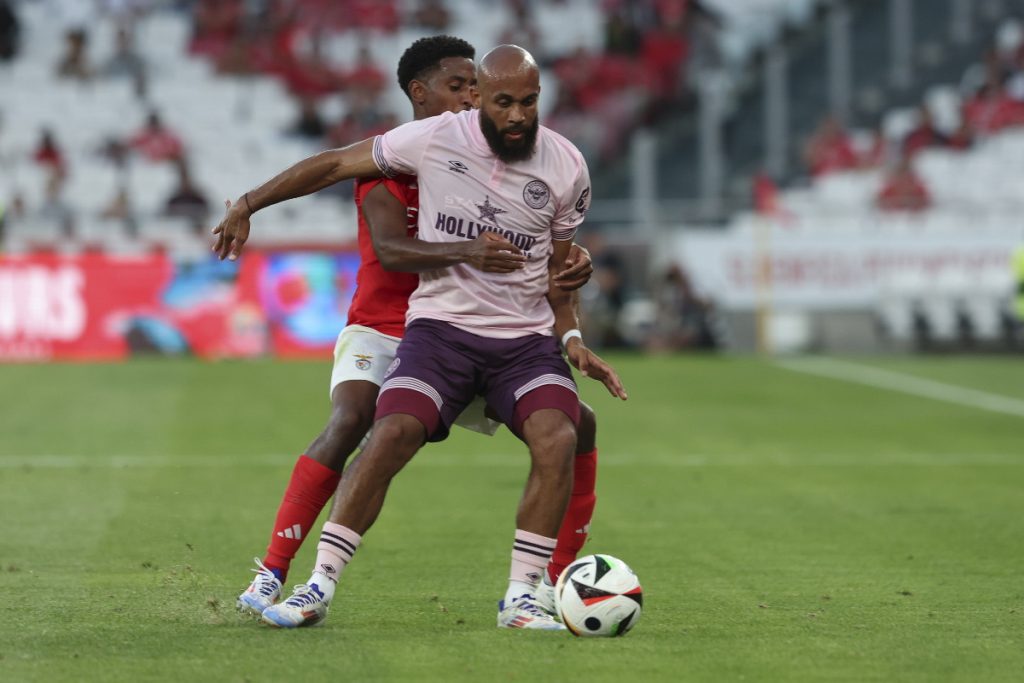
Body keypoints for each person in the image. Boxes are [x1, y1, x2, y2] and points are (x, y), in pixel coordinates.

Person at [226, 38, 610, 629]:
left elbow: (559, 270)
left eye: (526, 102)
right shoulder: (419, 147)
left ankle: (532, 591)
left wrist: (571, 325)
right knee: (373, 426)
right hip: (423, 332)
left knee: (566, 431)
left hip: (518, 342)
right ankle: (299, 579)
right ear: (439, 95)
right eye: (494, 99)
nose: (513, 114)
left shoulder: (566, 165)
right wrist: (248, 203)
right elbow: (357, 201)